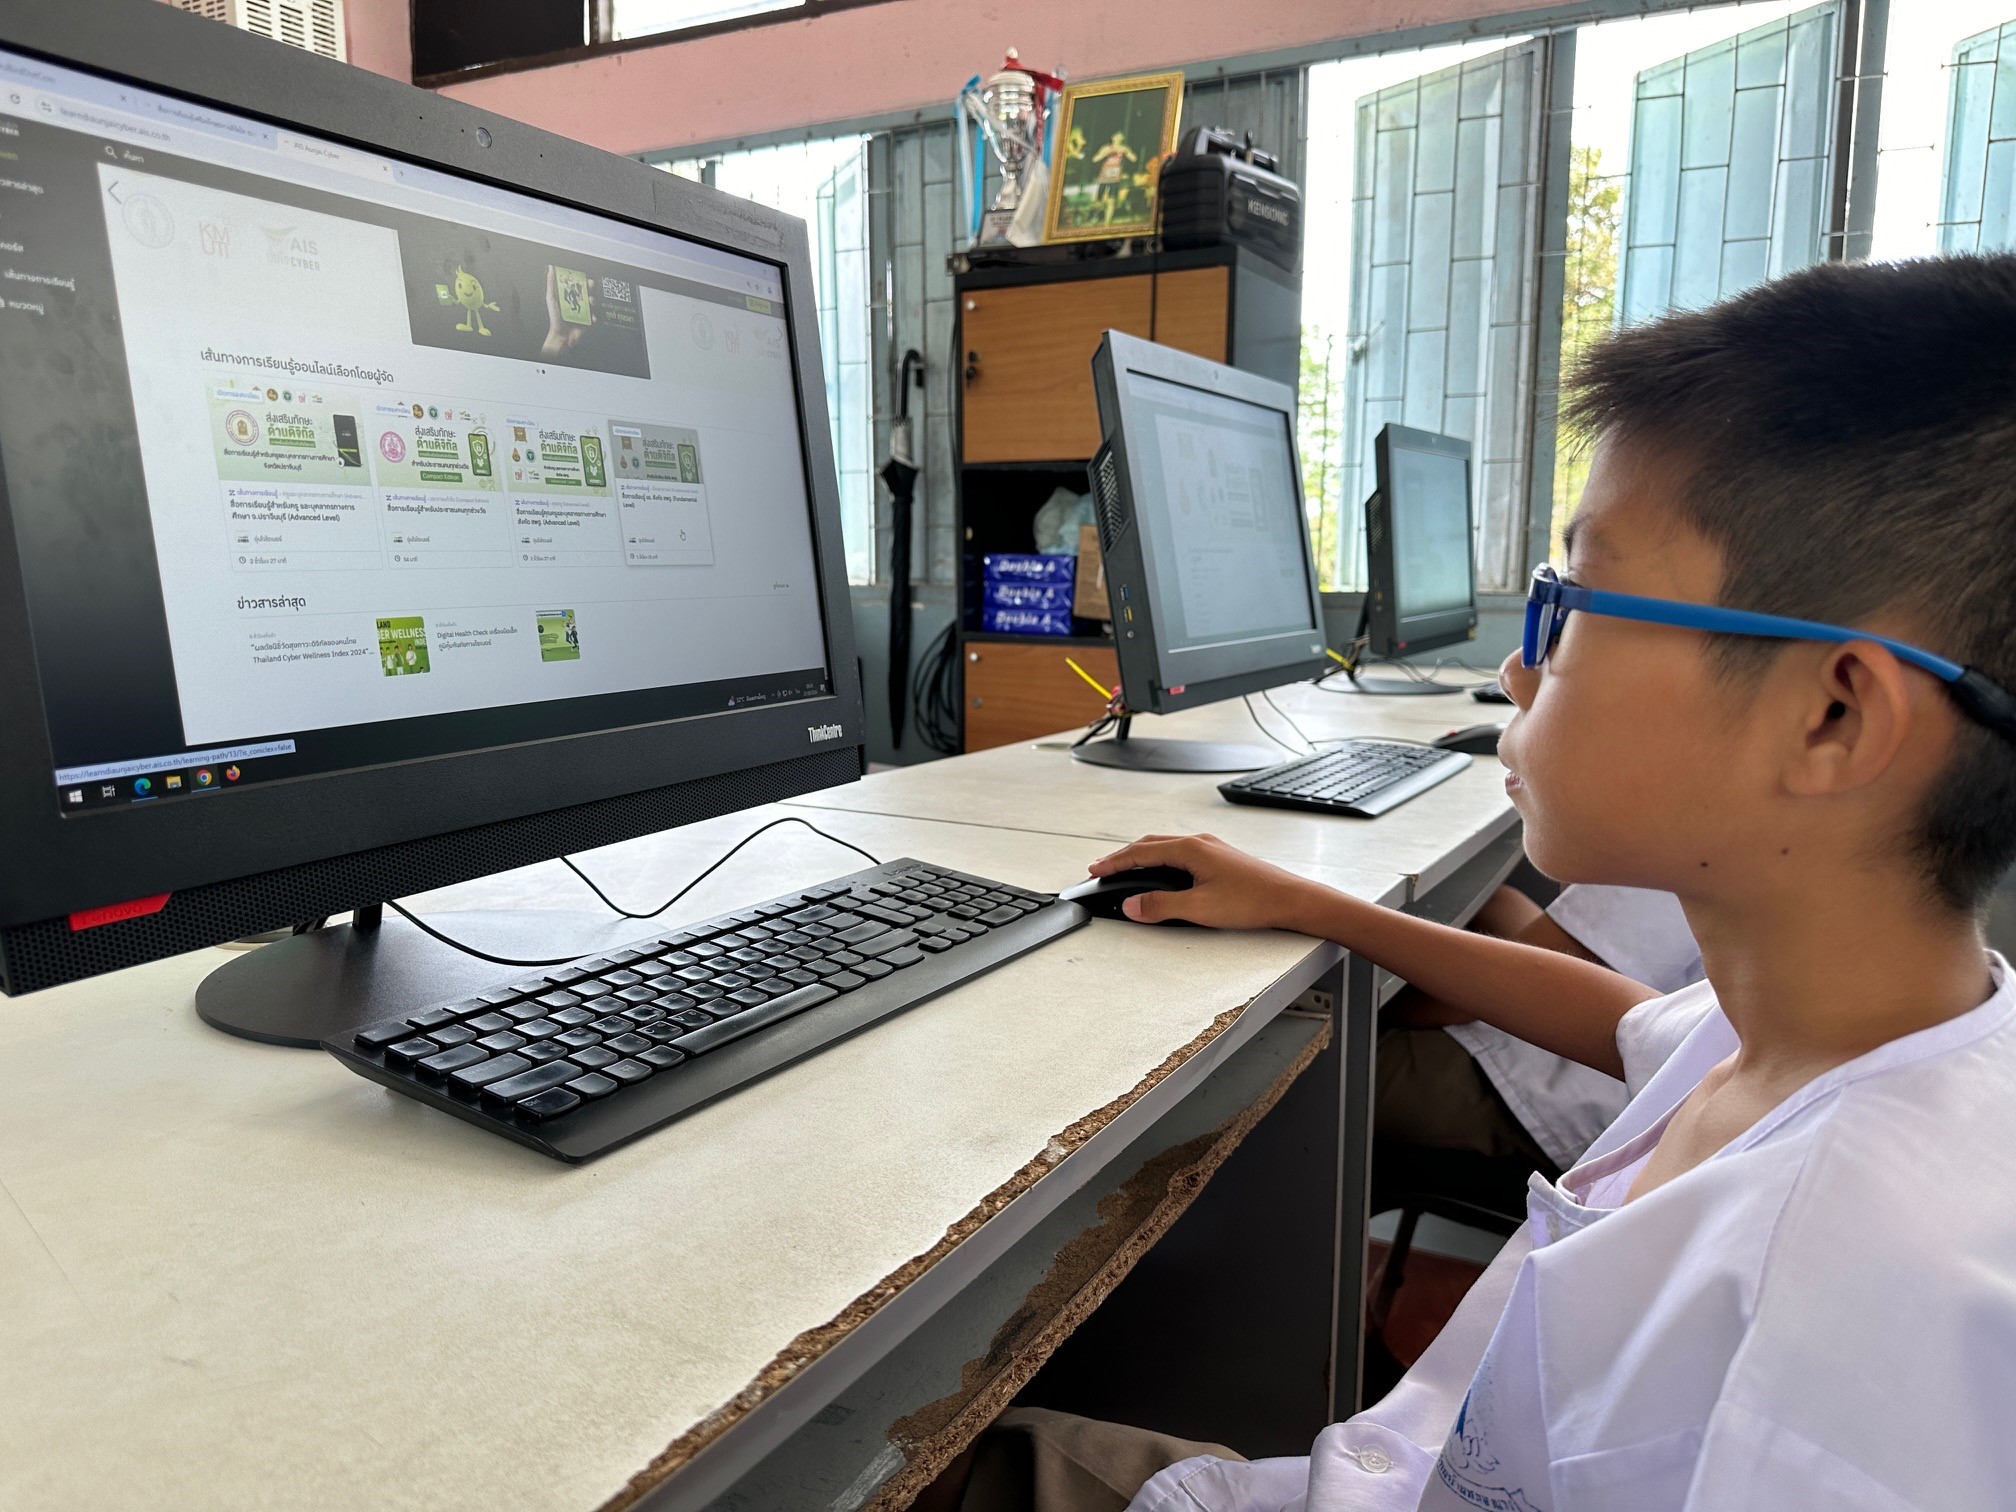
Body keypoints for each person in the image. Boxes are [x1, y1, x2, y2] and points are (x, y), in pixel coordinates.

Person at [953, 253, 2016, 1511]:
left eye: (1573, 605)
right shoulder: (1839, 1025)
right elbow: (1628, 1021)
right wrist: (1311, 903)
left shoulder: (1853, 1319)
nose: (1517, 671)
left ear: (1833, 718)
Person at [1378, 881, 1702, 1195]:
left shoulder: (1682, 854)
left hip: (1571, 1103)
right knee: (1493, 904)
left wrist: (1375, 1008)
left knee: (1351, 1065)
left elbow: (1478, 997)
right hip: (1653, 1086)